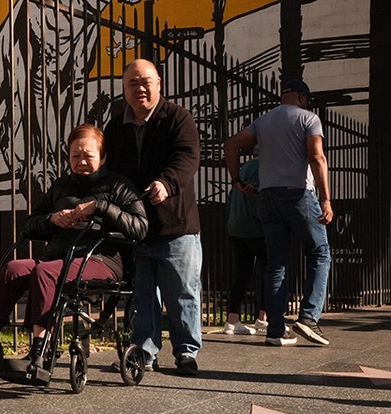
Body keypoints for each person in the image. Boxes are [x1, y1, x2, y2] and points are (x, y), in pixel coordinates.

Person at [0, 124, 148, 375]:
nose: (81, 161)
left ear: (103, 157)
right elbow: (30, 223)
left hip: (100, 260)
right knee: (13, 269)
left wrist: (101, 207)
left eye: (88, 155)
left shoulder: (120, 186)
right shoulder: (61, 186)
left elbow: (140, 227)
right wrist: (52, 219)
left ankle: (40, 351)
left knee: (46, 272)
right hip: (59, 257)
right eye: (75, 156)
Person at [103, 59, 203, 376]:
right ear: (124, 89)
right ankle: (144, 352)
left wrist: (166, 183)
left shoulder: (178, 118)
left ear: (159, 83)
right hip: (136, 227)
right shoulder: (116, 126)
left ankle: (186, 352)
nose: (140, 88)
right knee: (143, 293)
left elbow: (187, 157)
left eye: (146, 81)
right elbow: (111, 172)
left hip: (176, 224)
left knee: (182, 292)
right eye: (132, 83)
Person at [225, 78, 332, 347]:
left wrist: (237, 180)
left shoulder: (263, 122)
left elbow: (230, 145)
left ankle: (275, 330)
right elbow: (317, 157)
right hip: (298, 194)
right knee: (320, 253)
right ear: (303, 97)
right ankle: (308, 317)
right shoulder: (309, 119)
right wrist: (327, 199)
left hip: (268, 198)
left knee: (276, 263)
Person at [223, 157, 268, 335]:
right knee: (271, 270)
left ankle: (232, 320)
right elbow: (255, 198)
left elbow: (231, 195)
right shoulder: (263, 168)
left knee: (242, 273)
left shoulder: (244, 168)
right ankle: (263, 317)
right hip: (255, 228)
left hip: (236, 226)